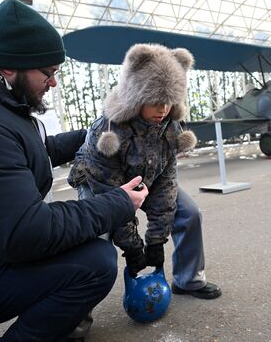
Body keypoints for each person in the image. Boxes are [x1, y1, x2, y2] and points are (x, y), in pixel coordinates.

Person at [0, 0, 149, 342]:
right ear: (11, 68)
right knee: (95, 263)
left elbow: (32, 152)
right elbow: (26, 233)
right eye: (48, 72)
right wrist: (118, 203)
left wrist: (99, 135)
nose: (54, 83)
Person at [66, 43, 221, 341]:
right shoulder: (106, 132)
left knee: (189, 214)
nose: (162, 110)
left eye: (168, 101)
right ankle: (73, 314)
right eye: (154, 101)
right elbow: (111, 197)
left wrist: (155, 241)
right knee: (92, 236)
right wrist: (134, 248)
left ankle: (188, 280)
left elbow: (165, 185)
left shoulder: (172, 126)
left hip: (146, 178)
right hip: (101, 184)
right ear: (135, 96)